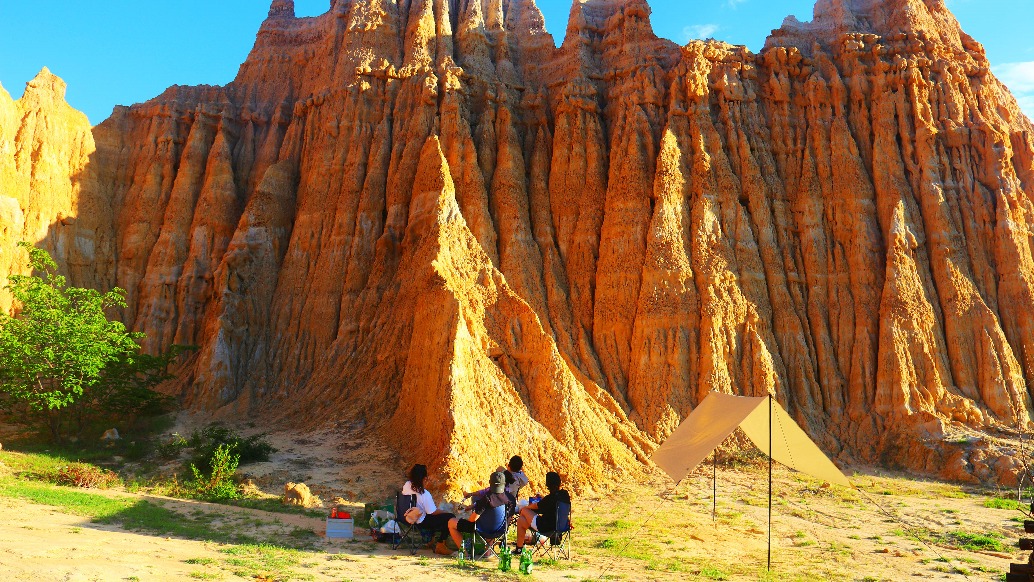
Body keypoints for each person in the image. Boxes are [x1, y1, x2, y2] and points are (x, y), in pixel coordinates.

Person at [446, 471, 511, 555]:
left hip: (483, 530)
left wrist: (467, 515)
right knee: (491, 520)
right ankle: (488, 552)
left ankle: (464, 553)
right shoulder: (508, 498)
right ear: (504, 483)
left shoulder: (487, 498)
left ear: (489, 483)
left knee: (451, 523)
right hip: (499, 530)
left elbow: (472, 519)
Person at [514, 471, 571, 556]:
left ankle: (519, 549)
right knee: (521, 520)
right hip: (562, 527)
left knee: (524, 511)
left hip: (546, 528)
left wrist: (526, 507)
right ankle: (519, 549)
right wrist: (543, 499)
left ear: (548, 485)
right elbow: (549, 503)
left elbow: (537, 506)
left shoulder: (550, 498)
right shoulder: (564, 495)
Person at [401, 464, 455, 552]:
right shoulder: (424, 494)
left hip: (405, 517)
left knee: (433, 517)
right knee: (450, 517)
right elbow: (432, 512)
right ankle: (440, 544)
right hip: (419, 521)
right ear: (424, 478)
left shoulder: (406, 485)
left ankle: (430, 540)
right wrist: (444, 512)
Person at [464, 455, 529, 499]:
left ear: (509, 465)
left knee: (475, 498)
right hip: (511, 502)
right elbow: (524, 481)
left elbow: (486, 492)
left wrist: (471, 494)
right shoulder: (521, 478)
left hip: (500, 502)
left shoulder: (500, 488)